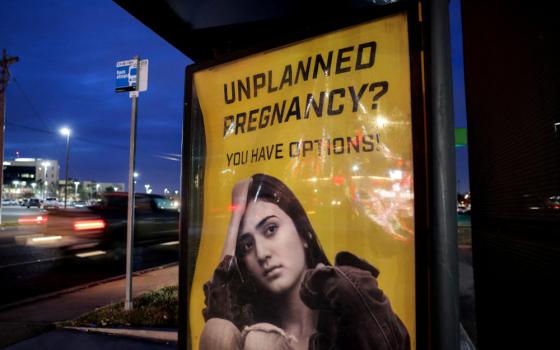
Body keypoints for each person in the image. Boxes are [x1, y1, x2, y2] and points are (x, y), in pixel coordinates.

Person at [200, 174, 410, 350]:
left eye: (271, 229)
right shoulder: (251, 321)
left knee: (260, 343)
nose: (262, 253)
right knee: (222, 331)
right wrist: (234, 217)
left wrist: (325, 282)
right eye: (247, 245)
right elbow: (219, 312)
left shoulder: (343, 302)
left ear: (303, 235)